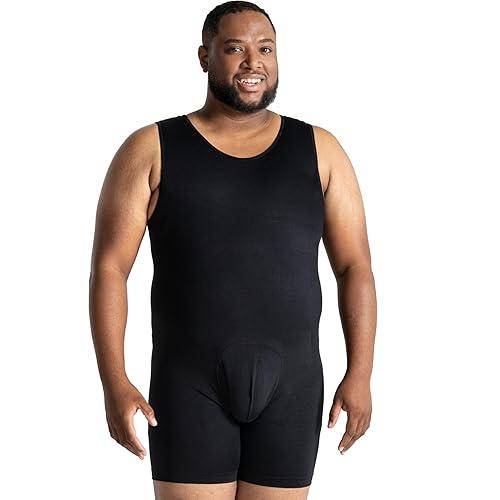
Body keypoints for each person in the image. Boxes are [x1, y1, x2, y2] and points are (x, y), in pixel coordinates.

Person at [89, 2, 376, 499]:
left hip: (293, 386)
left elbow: (355, 268)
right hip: (188, 384)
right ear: (205, 57)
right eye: (234, 48)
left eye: (265, 49)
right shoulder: (151, 148)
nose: (252, 62)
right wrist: (114, 381)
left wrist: (361, 373)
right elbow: (109, 269)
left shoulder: (321, 150)